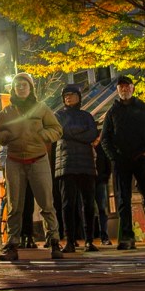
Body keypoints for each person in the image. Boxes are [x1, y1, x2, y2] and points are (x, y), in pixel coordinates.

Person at [0, 73, 64, 261]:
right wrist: (4, 137)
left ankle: (54, 241)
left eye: (24, 85)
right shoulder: (7, 112)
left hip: (38, 159)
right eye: (17, 85)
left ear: (30, 87)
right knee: (14, 205)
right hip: (14, 160)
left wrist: (43, 136)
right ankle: (12, 244)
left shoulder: (41, 108)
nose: (21, 87)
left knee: (46, 204)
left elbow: (57, 129)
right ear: (13, 89)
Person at [101, 76, 145, 249]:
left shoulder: (144, 108)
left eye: (127, 86)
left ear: (133, 88)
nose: (124, 89)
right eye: (121, 87)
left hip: (142, 159)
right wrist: (114, 156)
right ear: (117, 90)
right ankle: (127, 237)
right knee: (123, 199)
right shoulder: (112, 112)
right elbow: (105, 138)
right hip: (121, 161)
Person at [55, 84, 99, 252]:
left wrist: (71, 133)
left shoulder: (86, 116)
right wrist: (81, 133)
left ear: (79, 97)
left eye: (72, 94)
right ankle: (70, 240)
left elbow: (92, 134)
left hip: (86, 164)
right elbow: (60, 132)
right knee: (68, 204)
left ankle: (89, 240)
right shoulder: (58, 115)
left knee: (89, 203)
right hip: (66, 163)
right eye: (65, 95)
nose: (68, 97)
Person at [93, 143, 113, 245]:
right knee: (88, 209)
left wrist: (105, 177)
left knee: (102, 208)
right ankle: (90, 237)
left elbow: (108, 162)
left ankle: (104, 235)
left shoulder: (101, 148)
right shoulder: (85, 146)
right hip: (88, 180)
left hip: (100, 180)